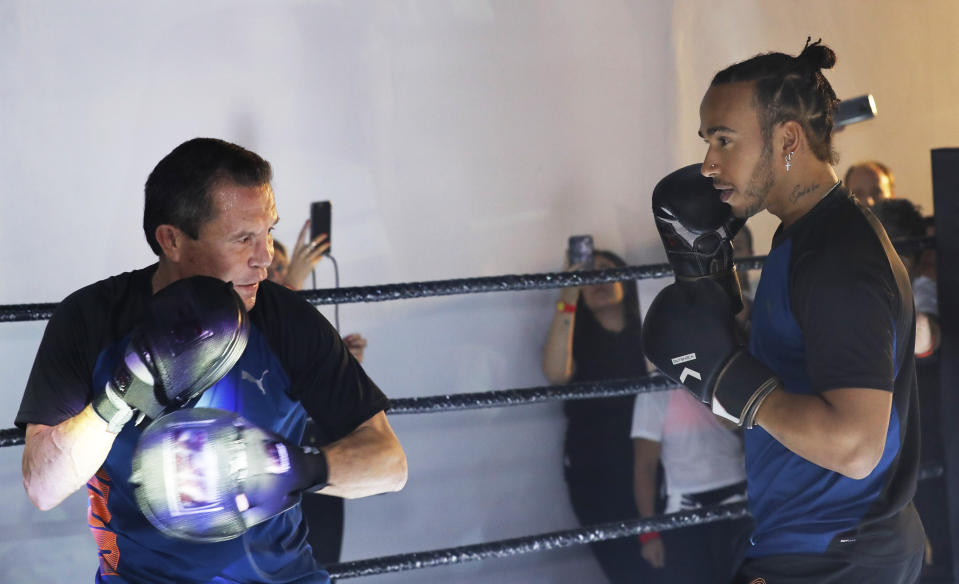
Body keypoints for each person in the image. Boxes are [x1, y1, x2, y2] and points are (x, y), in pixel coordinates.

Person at [17, 137, 407, 583]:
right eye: (243, 239)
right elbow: (42, 486)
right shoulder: (92, 319)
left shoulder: (287, 320)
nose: (264, 260)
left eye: (268, 233)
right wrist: (123, 395)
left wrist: (295, 468)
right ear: (172, 240)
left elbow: (390, 463)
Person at [643, 39, 925, 583]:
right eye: (707, 141)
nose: (709, 163)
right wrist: (711, 286)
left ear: (787, 138)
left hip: (835, 551)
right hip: (822, 541)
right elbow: (797, 364)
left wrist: (731, 380)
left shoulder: (836, 256)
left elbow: (857, 445)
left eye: (725, 140)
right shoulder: (803, 237)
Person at [542, 247, 656, 583]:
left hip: (652, 463)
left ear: (625, 280)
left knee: (672, 561)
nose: (598, 280)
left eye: (606, 270)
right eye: (587, 275)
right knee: (624, 568)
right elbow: (555, 373)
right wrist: (568, 292)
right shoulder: (578, 339)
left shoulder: (650, 332)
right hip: (596, 471)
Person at [267, 234, 368, 570]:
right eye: (266, 265)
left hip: (316, 465)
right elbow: (269, 363)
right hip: (268, 472)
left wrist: (341, 365)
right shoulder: (239, 316)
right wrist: (294, 283)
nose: (273, 274)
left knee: (321, 566)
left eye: (279, 267)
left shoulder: (300, 323)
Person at [872, 198, 951, 580]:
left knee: (935, 541)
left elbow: (927, 337)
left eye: (896, 246)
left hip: (927, 437)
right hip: (884, 442)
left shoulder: (925, 288)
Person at [630, 386, 752, 582]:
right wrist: (648, 534)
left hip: (739, 501)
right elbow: (645, 467)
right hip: (685, 509)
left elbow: (756, 431)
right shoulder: (653, 391)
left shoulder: (724, 375)